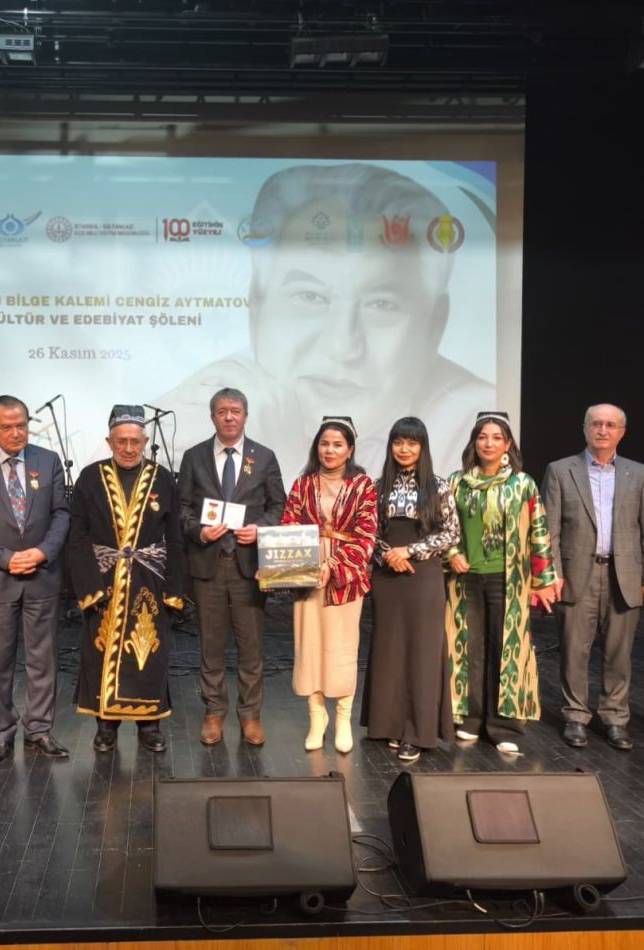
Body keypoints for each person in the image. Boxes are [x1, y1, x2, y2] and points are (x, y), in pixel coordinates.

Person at [151, 162, 495, 478]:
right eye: (309, 297)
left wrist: (283, 463)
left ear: (434, 326)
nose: (342, 347)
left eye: (381, 304)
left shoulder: (476, 426)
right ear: (256, 306)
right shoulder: (208, 404)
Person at [0, 395, 72, 766]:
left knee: (43, 659)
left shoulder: (48, 460)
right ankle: (1, 733)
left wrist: (42, 552)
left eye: (22, 425)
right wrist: (6, 559)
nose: (16, 432)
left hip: (42, 575)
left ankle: (39, 729)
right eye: (7, 426)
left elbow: (61, 514)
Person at [543, 403, 644, 752]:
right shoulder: (559, 470)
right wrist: (551, 573)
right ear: (584, 428)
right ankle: (576, 716)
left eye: (611, 425)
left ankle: (615, 718)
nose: (602, 430)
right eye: (596, 423)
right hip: (575, 574)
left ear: (621, 432)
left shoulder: (640, 474)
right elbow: (548, 530)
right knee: (573, 650)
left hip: (624, 575)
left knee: (618, 653)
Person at [68, 405, 186, 753]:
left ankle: (150, 725)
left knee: (148, 652)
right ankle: (106, 726)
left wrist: (174, 589)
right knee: (100, 652)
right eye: (121, 441)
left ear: (146, 441)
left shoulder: (163, 479)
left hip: (150, 582)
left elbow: (175, 536)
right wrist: (89, 587)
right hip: (105, 581)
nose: (129, 448)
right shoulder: (90, 478)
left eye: (135, 441)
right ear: (109, 442)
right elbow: (77, 536)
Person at [177, 387, 287, 747]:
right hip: (208, 564)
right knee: (210, 645)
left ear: (245, 416)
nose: (229, 417)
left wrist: (261, 528)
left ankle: (250, 714)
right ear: (212, 416)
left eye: (235, 411)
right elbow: (182, 509)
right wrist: (198, 531)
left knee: (250, 645)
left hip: (248, 566)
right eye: (222, 411)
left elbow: (278, 506)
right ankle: (214, 711)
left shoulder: (264, 457)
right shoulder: (194, 457)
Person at [444, 411, 557, 755]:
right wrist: (451, 552)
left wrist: (543, 580)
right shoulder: (457, 482)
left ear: (507, 444)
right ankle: (470, 718)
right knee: (468, 647)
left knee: (505, 649)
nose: (488, 443)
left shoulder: (522, 484)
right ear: (474, 442)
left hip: (508, 579)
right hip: (464, 579)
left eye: (496, 437)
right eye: (482, 437)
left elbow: (539, 532)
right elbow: (443, 526)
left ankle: (504, 724)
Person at [360, 417, 460, 763]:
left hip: (424, 576)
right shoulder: (377, 487)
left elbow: (451, 533)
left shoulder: (438, 485)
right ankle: (387, 723)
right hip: (387, 576)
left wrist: (410, 551)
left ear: (423, 447)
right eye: (398, 442)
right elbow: (367, 532)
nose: (404, 449)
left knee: (422, 650)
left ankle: (416, 732)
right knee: (389, 648)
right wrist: (388, 554)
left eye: (412, 443)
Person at [281, 416, 378, 754]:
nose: (330, 450)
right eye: (324, 444)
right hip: (307, 575)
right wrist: (302, 564)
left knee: (341, 648)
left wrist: (333, 565)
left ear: (350, 449)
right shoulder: (303, 483)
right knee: (310, 646)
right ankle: (316, 717)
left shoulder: (363, 485)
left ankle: (343, 718)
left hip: (344, 578)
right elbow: (288, 524)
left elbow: (366, 535)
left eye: (337, 444)